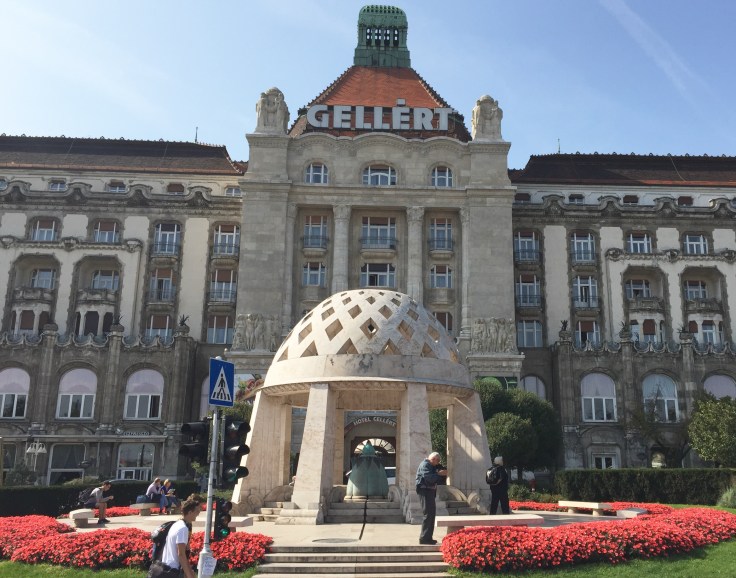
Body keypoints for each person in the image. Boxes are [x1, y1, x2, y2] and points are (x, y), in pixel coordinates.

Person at [147, 495, 202, 578]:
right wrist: (189, 575)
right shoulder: (183, 528)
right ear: (190, 512)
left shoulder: (177, 524)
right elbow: (181, 555)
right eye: (197, 511)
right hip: (172, 571)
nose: (199, 513)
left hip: (166, 567)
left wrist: (189, 572)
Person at [415, 451, 448, 545]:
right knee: (428, 514)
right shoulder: (425, 465)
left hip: (428, 491)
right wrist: (439, 474)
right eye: (437, 461)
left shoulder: (430, 465)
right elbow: (429, 478)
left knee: (431, 514)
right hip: (425, 491)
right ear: (433, 459)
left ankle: (428, 537)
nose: (437, 463)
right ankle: (424, 538)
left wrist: (438, 473)